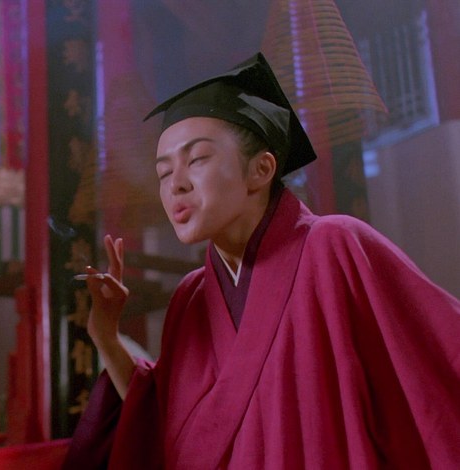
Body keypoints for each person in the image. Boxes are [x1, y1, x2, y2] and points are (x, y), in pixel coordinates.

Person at [62, 52, 460, 469]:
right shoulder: (191, 297)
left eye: (196, 159)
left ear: (261, 169)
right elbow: (160, 418)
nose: (176, 185)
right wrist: (105, 334)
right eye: (164, 173)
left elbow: (438, 361)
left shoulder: (333, 246)